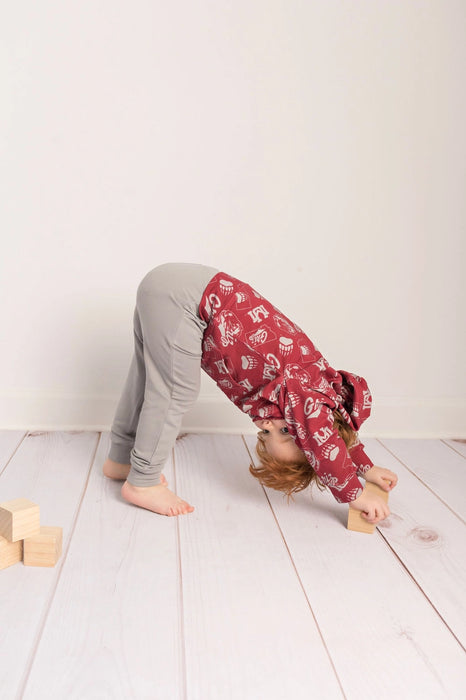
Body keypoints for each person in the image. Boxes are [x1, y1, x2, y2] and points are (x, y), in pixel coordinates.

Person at [103, 263, 397, 521]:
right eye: (285, 431)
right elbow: (324, 440)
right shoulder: (308, 398)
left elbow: (333, 434)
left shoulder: (314, 390)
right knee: (175, 392)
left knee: (146, 379)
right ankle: (142, 481)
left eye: (266, 435)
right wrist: (354, 493)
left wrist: (366, 467)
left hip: (181, 286)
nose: (267, 426)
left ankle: (121, 459)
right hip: (189, 301)